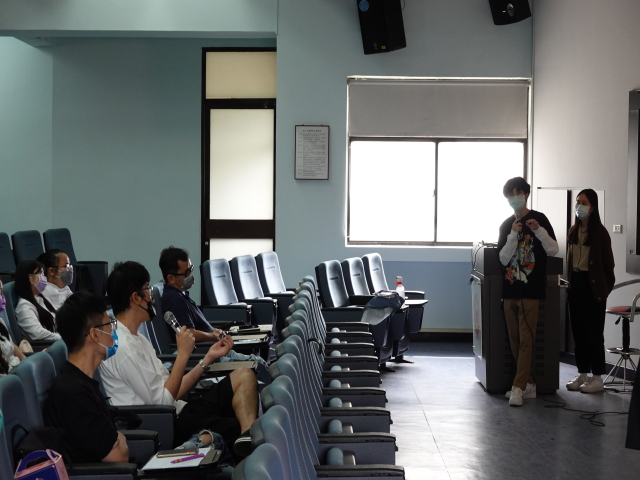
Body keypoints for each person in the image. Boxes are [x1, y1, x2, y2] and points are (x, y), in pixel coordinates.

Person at [99, 261, 258, 457]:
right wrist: (183, 354)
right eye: (147, 290)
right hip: (166, 423)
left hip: (179, 409)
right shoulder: (123, 348)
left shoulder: (138, 338)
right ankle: (247, 442)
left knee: (244, 375)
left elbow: (173, 389)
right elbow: (164, 401)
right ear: (135, 297)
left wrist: (208, 358)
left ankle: (246, 438)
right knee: (234, 424)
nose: (151, 296)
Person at [159, 247, 269, 384]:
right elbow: (189, 334)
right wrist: (212, 336)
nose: (190, 275)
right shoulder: (174, 299)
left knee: (260, 362)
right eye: (186, 272)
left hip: (213, 349)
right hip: (206, 355)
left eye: (191, 269)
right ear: (171, 278)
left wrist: (214, 332)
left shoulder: (181, 294)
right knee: (259, 366)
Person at [43, 291, 129, 463]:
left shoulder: (83, 382)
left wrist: (120, 438)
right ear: (95, 335)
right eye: (109, 324)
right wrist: (120, 439)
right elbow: (119, 458)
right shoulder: (74, 394)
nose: (113, 331)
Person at [497, 177, 559, 407]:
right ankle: (528, 383)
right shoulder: (506, 225)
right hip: (510, 288)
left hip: (531, 290)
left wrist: (538, 230)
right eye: (509, 195)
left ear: (526, 194)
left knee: (526, 339)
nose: (514, 198)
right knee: (514, 339)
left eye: (517, 193)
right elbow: (503, 258)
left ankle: (518, 387)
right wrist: (513, 234)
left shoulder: (540, 219)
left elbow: (553, 250)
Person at [566, 189, 615, 393]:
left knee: (594, 334)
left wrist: (603, 291)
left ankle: (597, 377)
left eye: (584, 202)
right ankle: (583, 373)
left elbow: (609, 266)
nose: (579, 206)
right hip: (575, 283)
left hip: (593, 287)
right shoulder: (573, 230)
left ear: (592, 207)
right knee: (578, 333)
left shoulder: (600, 233)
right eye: (578, 202)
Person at [14, 259, 61, 342]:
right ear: (30, 277)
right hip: (46, 346)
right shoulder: (24, 306)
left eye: (43, 274)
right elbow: (38, 334)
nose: (44, 277)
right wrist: (64, 339)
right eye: (40, 273)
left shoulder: (40, 298)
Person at [0, 279, 26, 374]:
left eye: (1, 292)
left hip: (16, 371)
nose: (2, 297)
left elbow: (21, 356)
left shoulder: (1, 322)